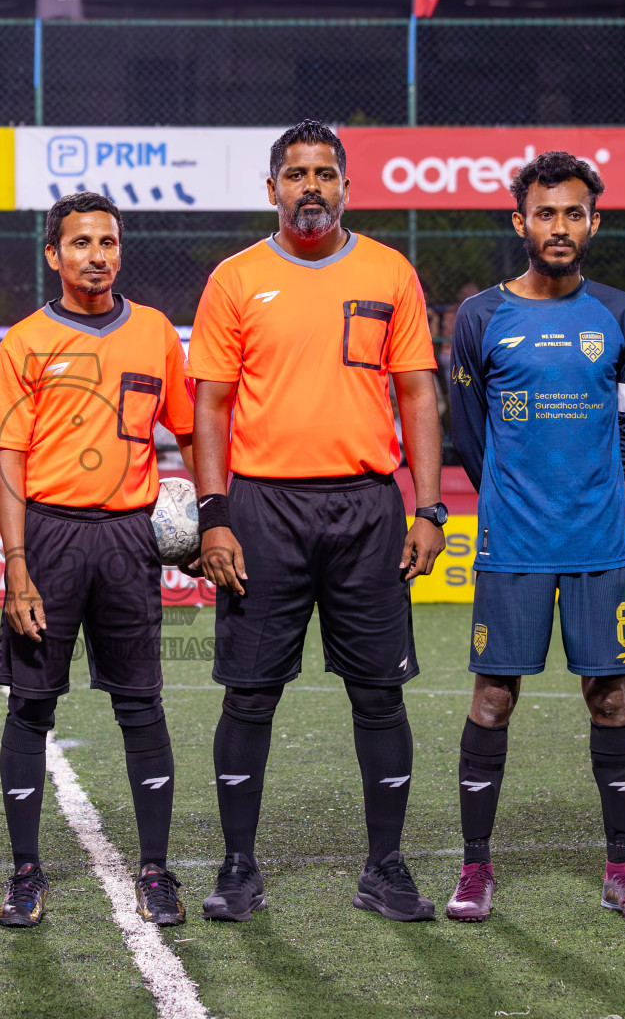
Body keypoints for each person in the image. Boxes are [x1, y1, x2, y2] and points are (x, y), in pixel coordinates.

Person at [188, 120, 445, 924]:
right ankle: (237, 869)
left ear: (344, 186)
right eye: (295, 174)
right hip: (264, 507)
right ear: (271, 190)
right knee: (250, 695)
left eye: (324, 173)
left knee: (379, 695)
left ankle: (386, 867)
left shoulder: (389, 271)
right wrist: (214, 517)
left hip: (368, 507)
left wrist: (431, 507)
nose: (310, 186)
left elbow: (417, 397)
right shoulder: (235, 279)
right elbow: (210, 411)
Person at [445, 150, 625, 924]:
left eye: (574, 213)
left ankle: (622, 870)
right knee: (494, 699)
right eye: (546, 213)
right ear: (521, 222)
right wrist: (519, 495)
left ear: (593, 222)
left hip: (599, 544)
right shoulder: (480, 319)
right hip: (512, 547)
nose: (560, 226)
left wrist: (590, 486)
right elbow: (467, 437)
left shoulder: (624, 314)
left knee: (608, 698)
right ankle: (475, 870)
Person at [0, 192, 196, 928]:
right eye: (80, 243)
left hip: (128, 538)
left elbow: (193, 429)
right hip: (47, 536)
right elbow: (8, 459)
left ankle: (156, 870)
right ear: (54, 255)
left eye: (107, 242)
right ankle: (23, 871)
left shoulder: (154, 335)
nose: (97, 255)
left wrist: (211, 513)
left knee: (140, 703)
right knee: (32, 705)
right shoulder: (24, 342)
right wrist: (15, 564)